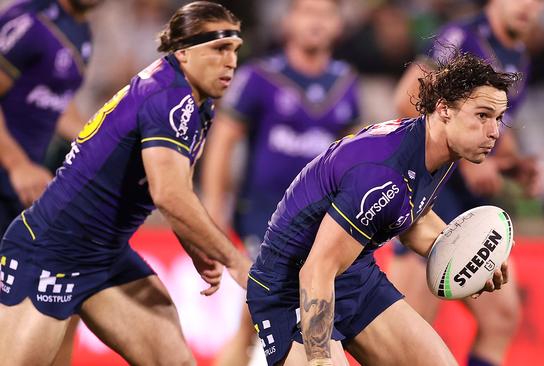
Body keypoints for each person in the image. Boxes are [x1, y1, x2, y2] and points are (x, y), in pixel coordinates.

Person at [0, 2, 251, 365]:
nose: (230, 61)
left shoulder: (198, 103)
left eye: (235, 50)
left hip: (104, 256)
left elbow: (177, 182)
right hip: (50, 254)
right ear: (183, 52)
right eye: (219, 49)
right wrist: (234, 259)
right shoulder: (167, 98)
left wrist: (194, 244)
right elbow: (168, 194)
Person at [246, 51, 520, 366]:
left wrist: (467, 258)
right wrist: (320, 358)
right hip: (290, 288)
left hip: (352, 275)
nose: (494, 132)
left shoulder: (437, 149)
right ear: (444, 109)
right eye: (482, 116)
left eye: (498, 119)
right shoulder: (383, 175)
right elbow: (316, 269)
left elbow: (412, 219)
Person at [201, 1, 359, 365]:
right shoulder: (260, 76)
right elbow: (223, 140)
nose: (315, 23)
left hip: (322, 220)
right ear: (288, 20)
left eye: (324, 14)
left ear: (338, 24)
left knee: (256, 320)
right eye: (306, 12)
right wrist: (213, 205)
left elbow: (354, 153)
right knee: (274, 313)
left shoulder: (345, 82)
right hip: (263, 214)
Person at [391, 1, 544, 365]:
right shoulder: (461, 37)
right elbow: (406, 100)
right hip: (433, 196)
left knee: (502, 318)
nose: (527, 6)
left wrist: (515, 163)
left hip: (471, 206)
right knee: (408, 339)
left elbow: (495, 126)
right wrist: (469, 164)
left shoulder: (520, 55)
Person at [0, 0, 104, 364]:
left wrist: (105, 146)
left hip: (18, 192)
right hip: (11, 174)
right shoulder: (30, 23)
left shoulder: (83, 33)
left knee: (63, 298)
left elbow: (57, 104)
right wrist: (17, 163)